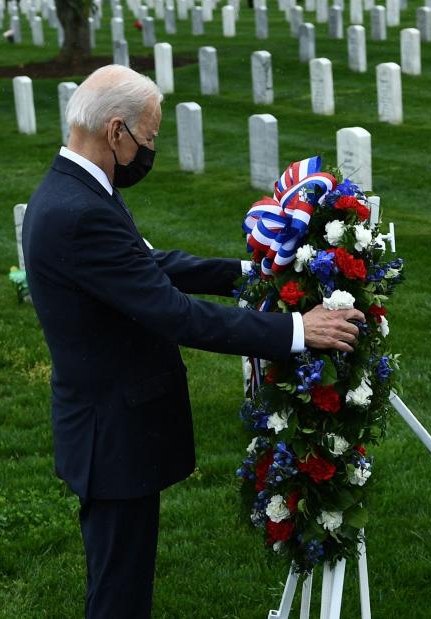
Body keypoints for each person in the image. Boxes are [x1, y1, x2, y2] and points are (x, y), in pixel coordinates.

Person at [22, 65, 364, 618]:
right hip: (112, 433)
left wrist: (257, 273)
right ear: (116, 133)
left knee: (121, 577)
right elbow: (174, 314)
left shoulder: (72, 190)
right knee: (118, 592)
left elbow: (147, 265)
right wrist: (299, 330)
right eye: (149, 138)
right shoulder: (80, 211)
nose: (149, 150)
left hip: (104, 425)